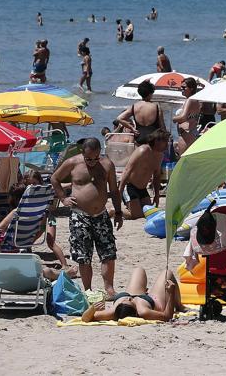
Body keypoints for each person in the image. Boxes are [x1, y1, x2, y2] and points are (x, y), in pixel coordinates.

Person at [51, 138, 122, 294]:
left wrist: (118, 212)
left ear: (99, 153)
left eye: (96, 158)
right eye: (89, 158)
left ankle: (109, 289)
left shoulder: (107, 164)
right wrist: (63, 198)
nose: (92, 161)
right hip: (80, 215)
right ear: (82, 153)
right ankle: (88, 289)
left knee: (108, 252)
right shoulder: (72, 163)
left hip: (101, 215)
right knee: (84, 256)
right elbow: (54, 178)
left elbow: (115, 191)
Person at [81, 268, 184, 322]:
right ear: (136, 312)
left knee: (139, 270)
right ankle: (180, 305)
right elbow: (167, 316)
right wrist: (171, 293)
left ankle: (143, 290)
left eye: (126, 300)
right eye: (130, 301)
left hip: (135, 294)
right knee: (167, 273)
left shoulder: (113, 312)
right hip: (151, 300)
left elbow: (85, 319)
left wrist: (92, 309)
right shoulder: (143, 312)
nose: (130, 299)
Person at [117, 130, 167, 220]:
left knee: (148, 213)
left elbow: (157, 176)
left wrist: (157, 195)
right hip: (129, 186)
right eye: (165, 141)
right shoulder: (143, 150)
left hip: (142, 188)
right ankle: (113, 211)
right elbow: (127, 170)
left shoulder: (160, 156)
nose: (167, 144)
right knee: (136, 215)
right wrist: (120, 191)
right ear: (156, 141)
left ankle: (132, 205)